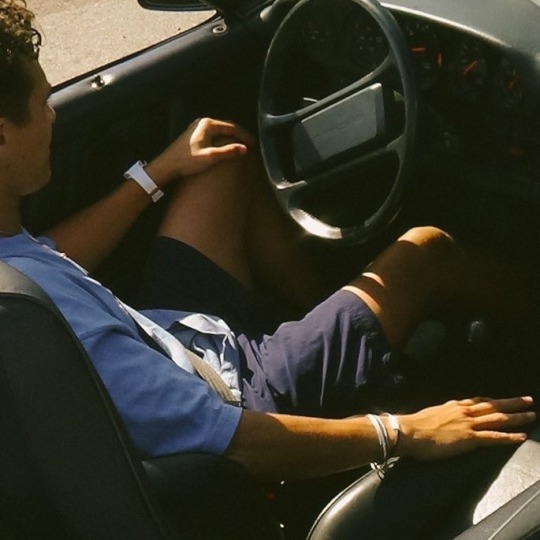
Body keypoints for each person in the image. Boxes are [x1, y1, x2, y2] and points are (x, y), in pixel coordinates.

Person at [0, 0, 536, 483]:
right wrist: (402, 432)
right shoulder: (51, 327)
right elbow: (238, 442)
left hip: (175, 336)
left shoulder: (12, 253)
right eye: (43, 102)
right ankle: (340, 360)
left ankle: (340, 340)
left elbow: (48, 254)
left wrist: (157, 172)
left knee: (223, 162)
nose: (53, 114)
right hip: (245, 395)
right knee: (428, 251)